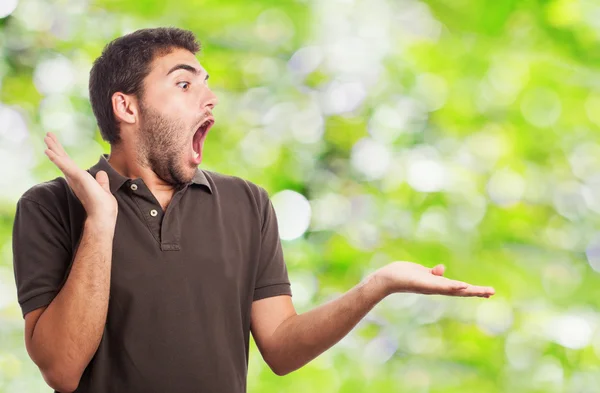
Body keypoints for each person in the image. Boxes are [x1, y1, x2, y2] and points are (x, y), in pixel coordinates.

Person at [12, 27, 495, 393]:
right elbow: (61, 369)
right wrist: (100, 224)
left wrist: (378, 286)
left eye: (206, 83)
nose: (208, 97)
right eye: (183, 85)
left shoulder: (247, 203)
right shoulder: (51, 207)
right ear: (127, 107)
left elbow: (281, 347)